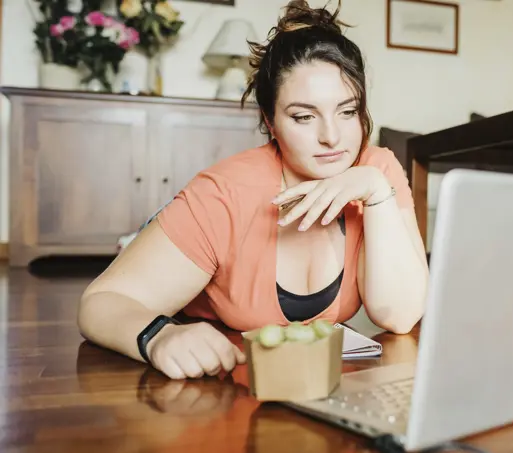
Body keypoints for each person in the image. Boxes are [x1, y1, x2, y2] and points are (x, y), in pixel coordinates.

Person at [77, 0, 429, 380]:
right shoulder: (224, 194)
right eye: (304, 117)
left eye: (347, 111)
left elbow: (400, 316)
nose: (332, 137)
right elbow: (100, 303)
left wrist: (376, 192)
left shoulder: (376, 169)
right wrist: (159, 337)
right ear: (270, 122)